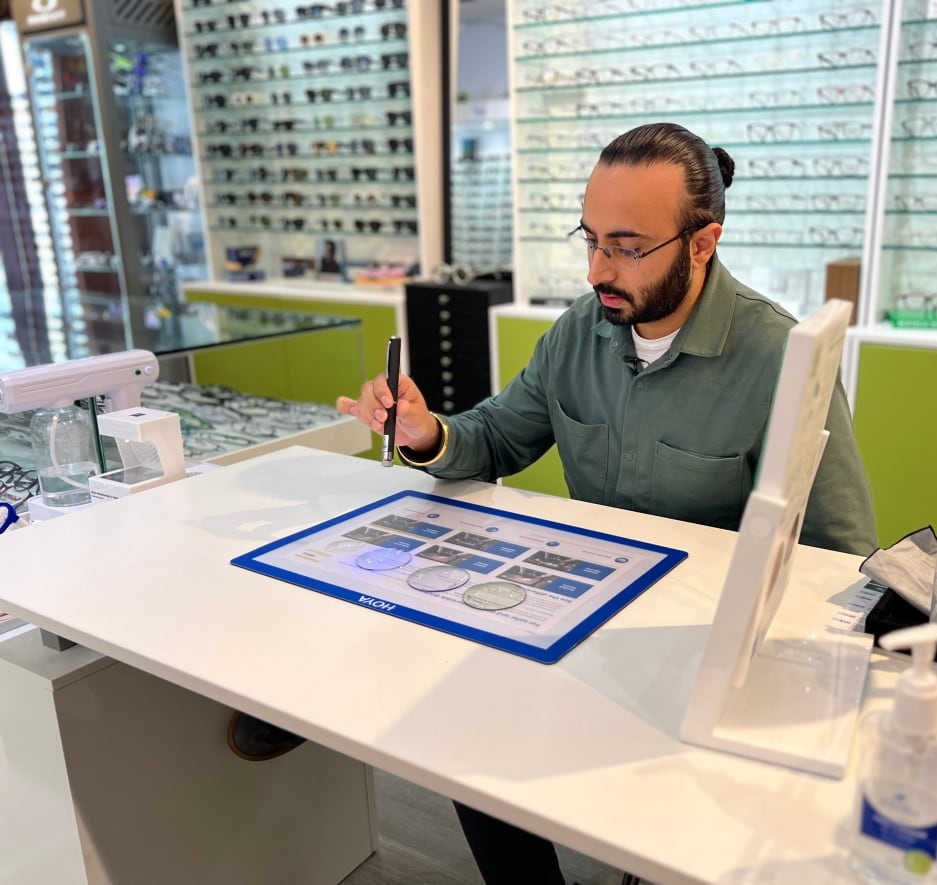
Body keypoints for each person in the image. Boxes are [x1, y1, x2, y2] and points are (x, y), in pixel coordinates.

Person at [337, 122, 876, 884]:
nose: (598, 270)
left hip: (703, 655)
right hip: (581, 619)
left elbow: (840, 552)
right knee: (462, 729)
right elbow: (493, 439)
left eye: (626, 246)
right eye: (589, 240)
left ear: (702, 242)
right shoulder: (576, 336)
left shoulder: (776, 357)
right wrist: (427, 432)